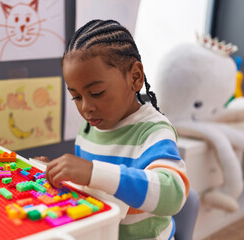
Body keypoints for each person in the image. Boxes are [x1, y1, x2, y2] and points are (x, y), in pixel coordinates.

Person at [35, 19, 189, 239]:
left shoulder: (154, 131)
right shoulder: (90, 128)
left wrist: (91, 172)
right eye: (76, 97)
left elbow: (173, 194)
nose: (86, 108)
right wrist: (59, 172)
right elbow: (92, 188)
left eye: (97, 93)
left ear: (135, 77)